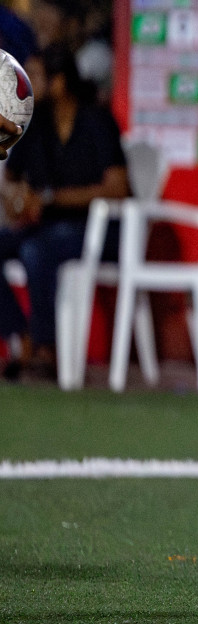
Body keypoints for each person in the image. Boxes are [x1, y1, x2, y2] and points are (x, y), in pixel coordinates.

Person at [0, 45, 127, 379]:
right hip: (47, 227)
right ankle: (21, 336)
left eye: (34, 76)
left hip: (98, 230)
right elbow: (10, 181)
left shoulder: (95, 119)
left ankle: (47, 350)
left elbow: (117, 188)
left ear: (59, 82)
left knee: (35, 249)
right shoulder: (32, 124)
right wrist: (17, 199)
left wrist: (51, 199)